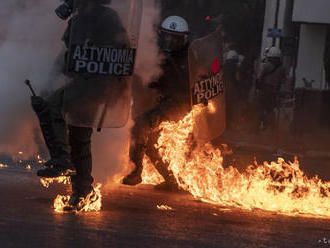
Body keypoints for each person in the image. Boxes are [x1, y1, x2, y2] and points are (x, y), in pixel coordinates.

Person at [31, 0, 129, 208]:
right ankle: (82, 190)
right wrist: (49, 81)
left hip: (97, 85)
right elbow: (68, 56)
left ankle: (62, 161)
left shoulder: (107, 18)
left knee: (64, 118)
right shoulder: (77, 21)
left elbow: (121, 54)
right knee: (77, 135)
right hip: (81, 83)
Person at [122, 16, 191, 191]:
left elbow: (188, 81)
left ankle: (136, 172)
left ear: (183, 39)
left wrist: (171, 61)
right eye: (167, 37)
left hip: (181, 104)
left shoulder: (189, 56)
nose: (170, 41)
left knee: (140, 126)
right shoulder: (160, 54)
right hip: (168, 102)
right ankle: (172, 181)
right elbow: (158, 82)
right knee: (151, 141)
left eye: (175, 38)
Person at [256, 46, 286, 131]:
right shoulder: (282, 68)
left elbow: (259, 77)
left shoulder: (266, 65)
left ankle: (258, 126)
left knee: (260, 108)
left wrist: (257, 86)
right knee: (271, 109)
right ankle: (272, 127)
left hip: (265, 90)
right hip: (275, 91)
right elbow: (283, 81)